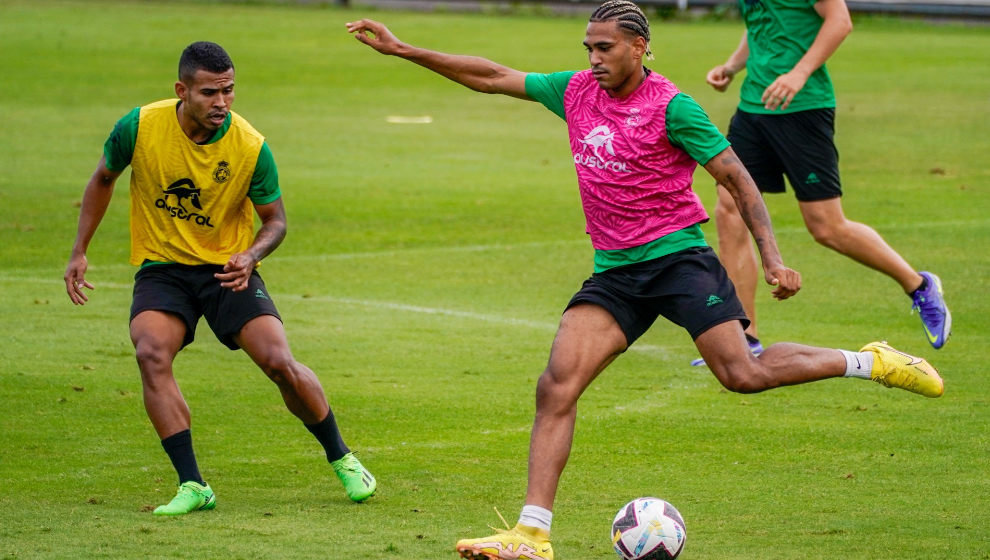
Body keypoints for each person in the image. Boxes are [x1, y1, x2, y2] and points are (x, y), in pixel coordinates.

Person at [346, 3, 942, 558]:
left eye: (604, 48)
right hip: (617, 272)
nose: (593, 59)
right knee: (557, 385)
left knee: (743, 374)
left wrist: (772, 258)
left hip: (681, 262)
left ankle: (869, 361)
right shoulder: (576, 91)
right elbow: (494, 75)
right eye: (588, 48)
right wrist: (406, 51)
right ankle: (532, 534)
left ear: (639, 47)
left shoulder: (674, 107)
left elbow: (739, 180)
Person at [63, 41, 376, 515]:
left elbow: (276, 222)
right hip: (164, 268)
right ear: (181, 90)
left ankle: (343, 456)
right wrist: (80, 250)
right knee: (151, 352)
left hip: (227, 269)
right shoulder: (140, 126)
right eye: (210, 92)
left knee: (278, 362)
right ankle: (193, 485)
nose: (222, 103)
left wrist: (250, 256)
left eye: (229, 91)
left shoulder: (250, 146)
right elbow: (103, 178)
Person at [698, 0, 950, 367]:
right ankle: (745, 337)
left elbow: (840, 20)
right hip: (754, 107)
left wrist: (798, 73)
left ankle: (919, 286)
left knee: (827, 227)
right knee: (729, 209)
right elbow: (766, 24)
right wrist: (733, 66)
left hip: (804, 109)